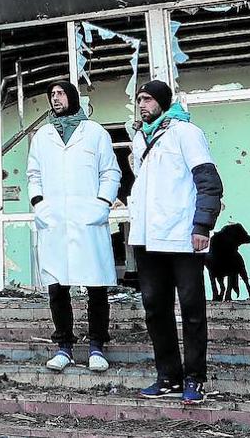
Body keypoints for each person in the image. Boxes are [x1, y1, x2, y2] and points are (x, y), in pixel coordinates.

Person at [128, 79, 223, 404]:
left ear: (163, 102)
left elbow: (209, 182)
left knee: (192, 309)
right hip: (147, 239)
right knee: (155, 309)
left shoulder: (185, 132)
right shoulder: (141, 139)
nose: (142, 105)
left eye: (147, 99)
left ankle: (194, 378)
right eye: (139, 99)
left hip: (182, 237)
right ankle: (168, 376)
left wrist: (202, 226)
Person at [27, 80, 122, 373]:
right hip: (55, 220)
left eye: (60, 93)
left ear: (72, 97)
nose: (56, 98)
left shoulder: (94, 132)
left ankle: (96, 346)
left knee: (95, 287)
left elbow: (111, 171)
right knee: (58, 287)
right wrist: (39, 204)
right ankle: (64, 347)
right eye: (51, 95)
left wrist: (101, 203)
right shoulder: (43, 135)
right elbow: (33, 173)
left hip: (87, 218)